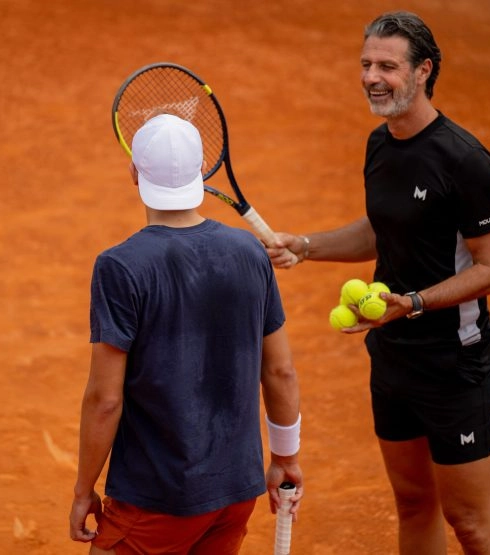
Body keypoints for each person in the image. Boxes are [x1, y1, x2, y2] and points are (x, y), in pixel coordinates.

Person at [268, 11, 490, 555]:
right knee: (413, 505)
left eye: (387, 66)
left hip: (456, 364)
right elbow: (381, 232)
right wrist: (303, 246)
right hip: (393, 356)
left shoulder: (466, 161)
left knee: (470, 523)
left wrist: (415, 303)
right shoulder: (381, 144)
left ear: (424, 70)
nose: (372, 77)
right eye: (365, 64)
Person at [69, 113, 303, 554]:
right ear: (200, 172)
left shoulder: (120, 266)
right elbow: (281, 371)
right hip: (235, 491)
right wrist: (286, 457)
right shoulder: (250, 252)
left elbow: (105, 399)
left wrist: (84, 488)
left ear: (134, 174)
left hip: (156, 496)